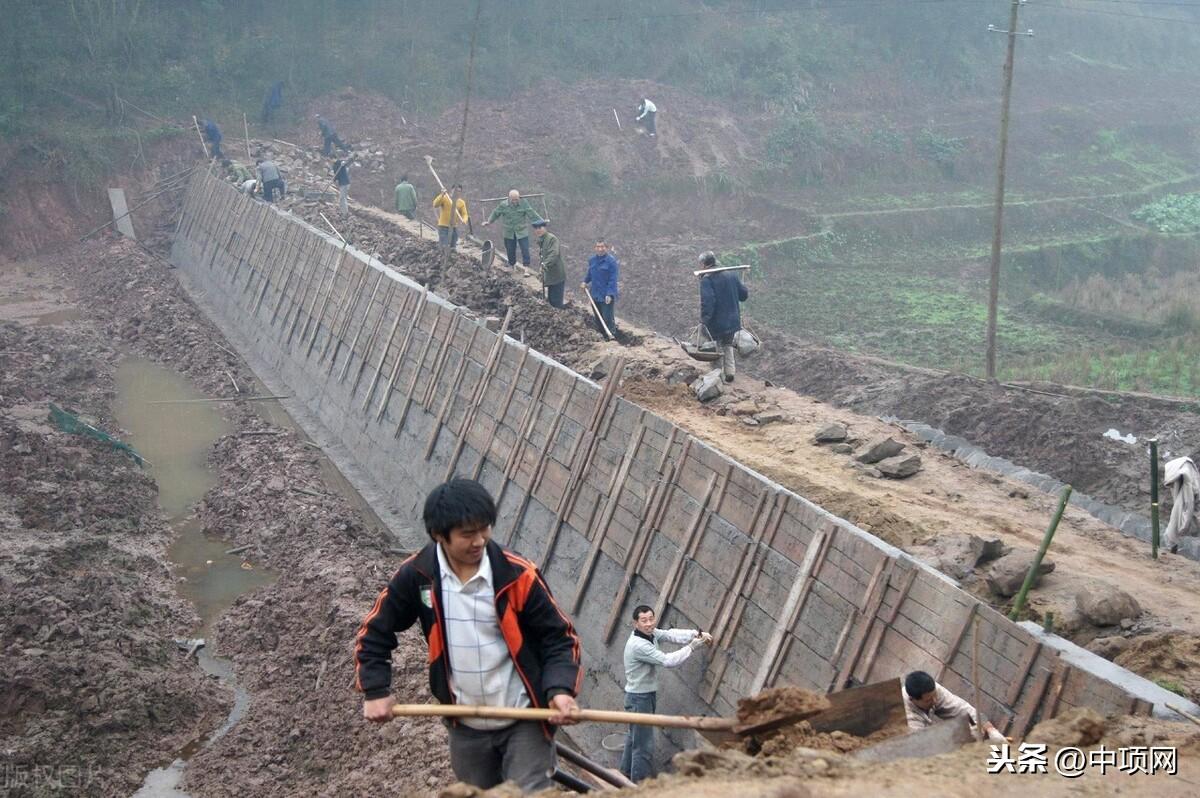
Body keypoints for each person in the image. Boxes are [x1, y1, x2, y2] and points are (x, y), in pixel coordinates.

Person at [355, 478, 583, 793]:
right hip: (464, 725)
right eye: (467, 534)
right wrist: (375, 690)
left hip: (525, 718)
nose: (479, 541)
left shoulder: (516, 575)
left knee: (532, 793)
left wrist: (560, 690)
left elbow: (559, 638)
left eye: (484, 529)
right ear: (439, 535)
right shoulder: (419, 575)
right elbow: (374, 632)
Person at [620, 605, 712, 782]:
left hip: (641, 696)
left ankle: (624, 772)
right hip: (640, 699)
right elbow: (668, 661)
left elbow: (670, 634)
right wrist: (693, 647)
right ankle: (639, 784)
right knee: (644, 745)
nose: (649, 624)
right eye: (644, 620)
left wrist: (695, 634)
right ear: (635, 623)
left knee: (634, 737)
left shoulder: (650, 634)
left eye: (651, 619)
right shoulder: (639, 646)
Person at [902, 671, 1005, 743]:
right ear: (912, 699)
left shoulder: (932, 691)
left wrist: (991, 730)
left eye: (935, 696)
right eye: (929, 700)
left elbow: (962, 709)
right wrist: (965, 736)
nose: (935, 701)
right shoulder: (906, 717)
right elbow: (926, 745)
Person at [698, 251, 749, 383]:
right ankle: (730, 373)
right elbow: (744, 295)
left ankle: (717, 377)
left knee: (716, 348)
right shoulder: (731, 274)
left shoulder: (707, 279)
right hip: (733, 320)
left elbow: (708, 302)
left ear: (704, 264)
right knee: (728, 344)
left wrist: (704, 320)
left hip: (717, 321)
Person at [483, 189, 540, 268]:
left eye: (517, 199)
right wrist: (489, 221)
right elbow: (496, 213)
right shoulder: (503, 205)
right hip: (509, 232)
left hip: (521, 231)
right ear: (509, 199)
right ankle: (512, 264)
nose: (515, 201)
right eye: (513, 200)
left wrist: (541, 222)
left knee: (525, 249)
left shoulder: (524, 203)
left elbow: (531, 213)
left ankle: (526, 266)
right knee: (510, 249)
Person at [582, 239, 619, 336]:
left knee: (607, 318)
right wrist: (585, 281)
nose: (600, 249)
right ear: (595, 248)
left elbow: (613, 279)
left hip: (606, 295)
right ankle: (602, 336)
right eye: (598, 247)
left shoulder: (611, 262)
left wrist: (609, 294)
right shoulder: (592, 260)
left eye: (602, 247)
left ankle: (611, 336)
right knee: (598, 317)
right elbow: (590, 273)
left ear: (606, 248)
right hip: (595, 294)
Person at [533, 220, 565, 308]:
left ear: (545, 228)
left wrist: (545, 264)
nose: (538, 230)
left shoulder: (551, 239)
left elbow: (554, 254)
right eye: (536, 228)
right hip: (550, 276)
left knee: (556, 302)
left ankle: (559, 317)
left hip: (557, 275)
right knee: (551, 300)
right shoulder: (541, 239)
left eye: (540, 228)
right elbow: (543, 256)